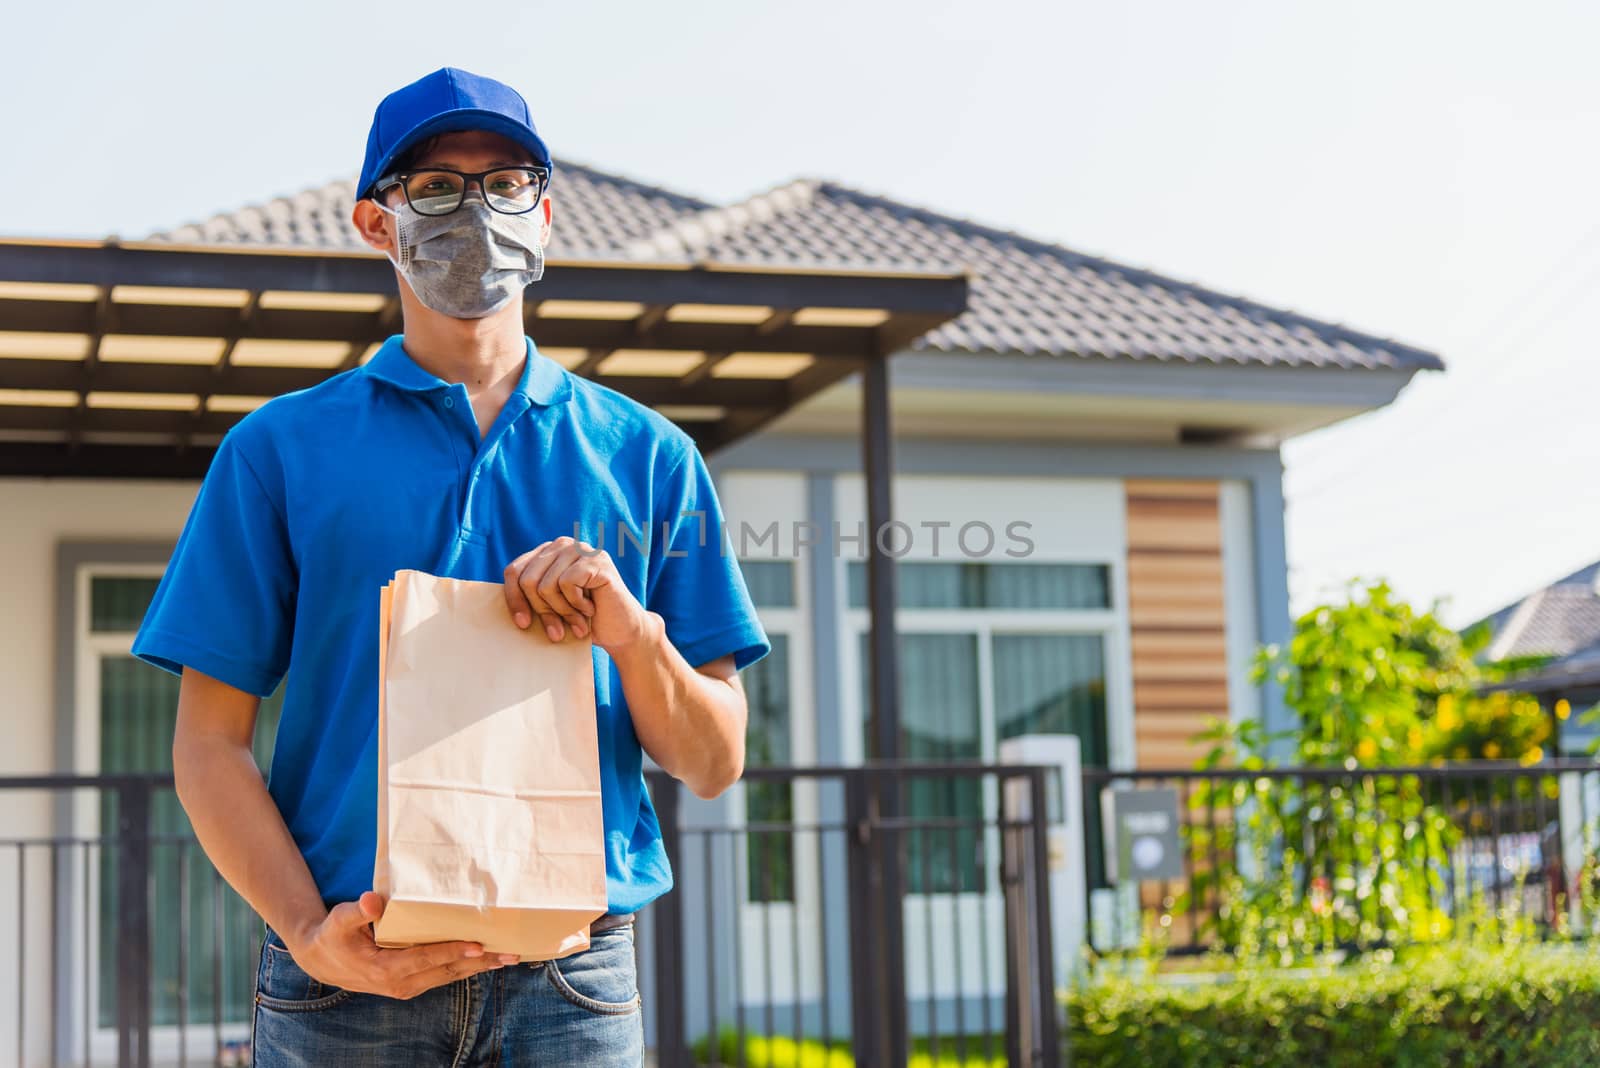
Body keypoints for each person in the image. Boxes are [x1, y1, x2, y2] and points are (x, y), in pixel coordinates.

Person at [132, 66, 768, 1067]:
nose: (475, 209)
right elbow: (209, 745)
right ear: (375, 224)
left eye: (506, 182)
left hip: (572, 984)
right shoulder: (279, 451)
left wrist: (630, 633)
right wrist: (308, 934)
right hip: (344, 977)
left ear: (545, 216)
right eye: (435, 187)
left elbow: (713, 760)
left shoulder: (648, 456)